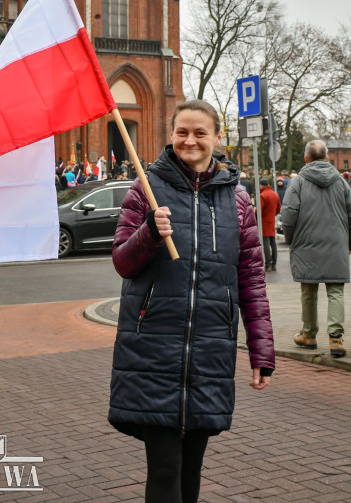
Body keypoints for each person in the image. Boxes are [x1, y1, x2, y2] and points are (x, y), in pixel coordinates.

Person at [108, 99, 274, 503]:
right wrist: (148, 231)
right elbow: (122, 263)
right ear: (171, 135)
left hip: (210, 351)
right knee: (165, 468)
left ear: (218, 138)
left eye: (201, 133)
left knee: (192, 468)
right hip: (153, 350)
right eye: (182, 131)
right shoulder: (145, 189)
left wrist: (261, 351)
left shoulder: (238, 202)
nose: (190, 140)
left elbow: (251, 280)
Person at [281, 139, 351, 358]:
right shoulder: (341, 182)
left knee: (308, 290)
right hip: (336, 243)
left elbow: (289, 215)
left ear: (306, 158)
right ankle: (336, 339)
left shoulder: (298, 182)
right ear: (328, 157)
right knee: (336, 291)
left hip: (306, 243)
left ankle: (309, 335)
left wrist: (292, 240)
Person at [258, 178, 281, 271]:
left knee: (266, 243)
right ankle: (274, 262)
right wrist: (273, 214)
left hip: (264, 221)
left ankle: (267, 263)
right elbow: (278, 208)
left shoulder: (262, 195)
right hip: (271, 221)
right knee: (273, 243)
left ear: (261, 185)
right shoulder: (275, 194)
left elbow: (259, 210)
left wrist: (256, 218)